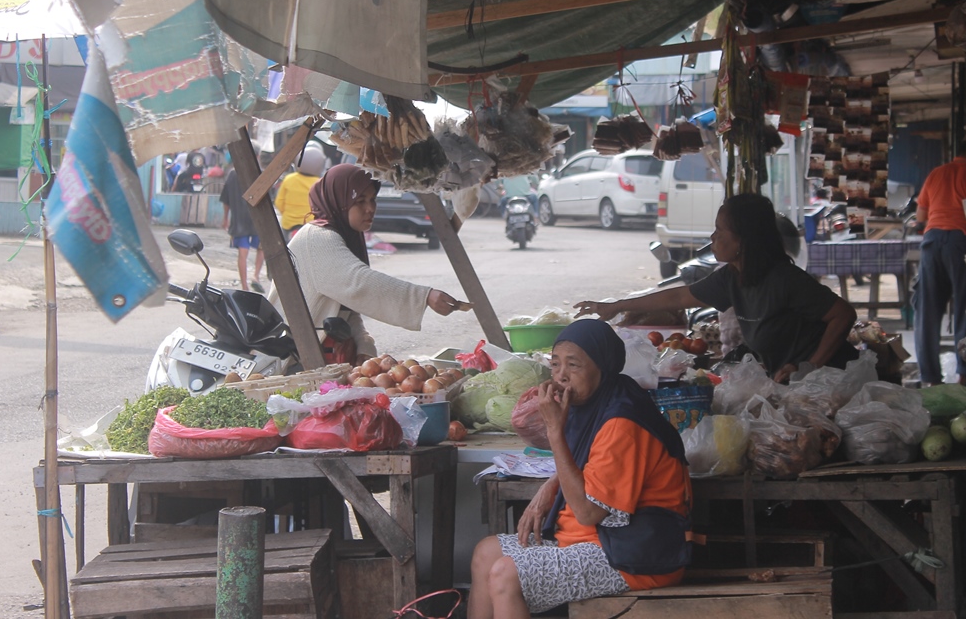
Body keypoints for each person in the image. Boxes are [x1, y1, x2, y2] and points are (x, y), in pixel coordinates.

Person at [469, 320, 691, 619]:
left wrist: (554, 431)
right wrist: (550, 487)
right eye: (555, 364)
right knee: (486, 553)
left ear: (602, 367)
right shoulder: (596, 401)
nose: (561, 376)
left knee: (507, 574)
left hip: (633, 554)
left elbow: (589, 512)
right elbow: (586, 461)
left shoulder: (622, 423)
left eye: (573, 366)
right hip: (588, 538)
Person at [576, 193, 857, 383]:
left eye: (720, 231)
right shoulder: (733, 276)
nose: (713, 237)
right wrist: (616, 306)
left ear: (743, 242)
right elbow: (679, 296)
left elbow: (843, 315)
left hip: (830, 381)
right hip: (787, 380)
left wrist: (811, 366)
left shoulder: (785, 279)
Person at [268, 164, 463, 362]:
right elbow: (359, 284)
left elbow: (347, 308)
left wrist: (365, 347)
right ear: (339, 201)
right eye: (360, 201)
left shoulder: (344, 235)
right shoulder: (317, 238)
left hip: (317, 356)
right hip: (288, 360)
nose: (370, 208)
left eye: (372, 200)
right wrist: (425, 296)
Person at [912, 152, 966, 384]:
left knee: (927, 311)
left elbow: (920, 215)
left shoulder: (936, 173)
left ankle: (930, 378)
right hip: (962, 242)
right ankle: (964, 377)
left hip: (932, 242)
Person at [220, 161, 265, 293]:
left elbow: (226, 200)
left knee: (242, 253)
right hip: (256, 218)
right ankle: (255, 276)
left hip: (238, 220)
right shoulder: (259, 173)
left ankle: (244, 286)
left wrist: (225, 218)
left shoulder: (232, 175)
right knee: (261, 248)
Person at [275, 142, 326, 240]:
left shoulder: (289, 179)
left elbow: (279, 202)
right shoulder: (320, 183)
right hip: (310, 225)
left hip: (288, 224)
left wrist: (288, 213)